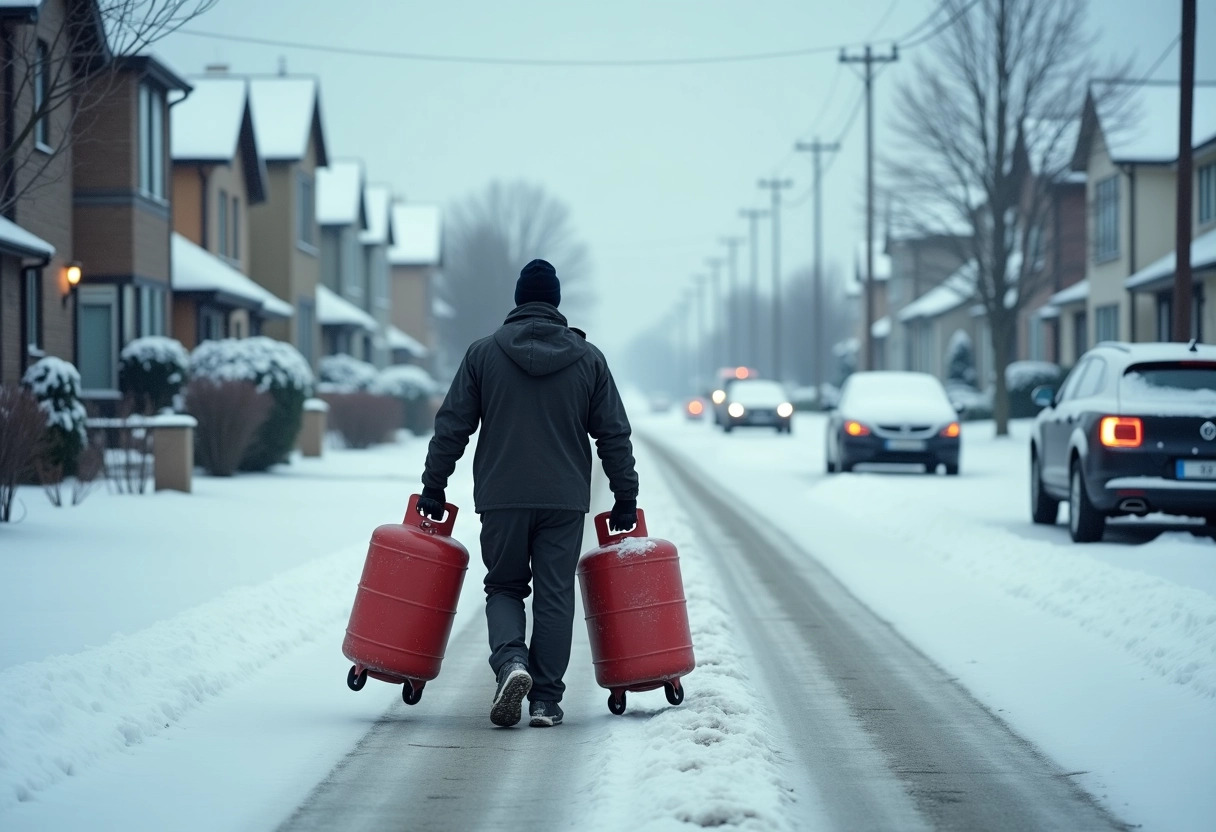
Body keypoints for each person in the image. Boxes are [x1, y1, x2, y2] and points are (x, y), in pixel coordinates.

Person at [416, 258, 639, 728]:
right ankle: (545, 701)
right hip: (564, 500)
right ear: (555, 302)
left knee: (504, 586)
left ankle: (512, 662)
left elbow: (452, 426)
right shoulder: (588, 359)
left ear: (518, 300)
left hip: (501, 497)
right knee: (555, 594)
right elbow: (613, 435)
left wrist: (432, 485)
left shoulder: (482, 354)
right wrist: (625, 496)